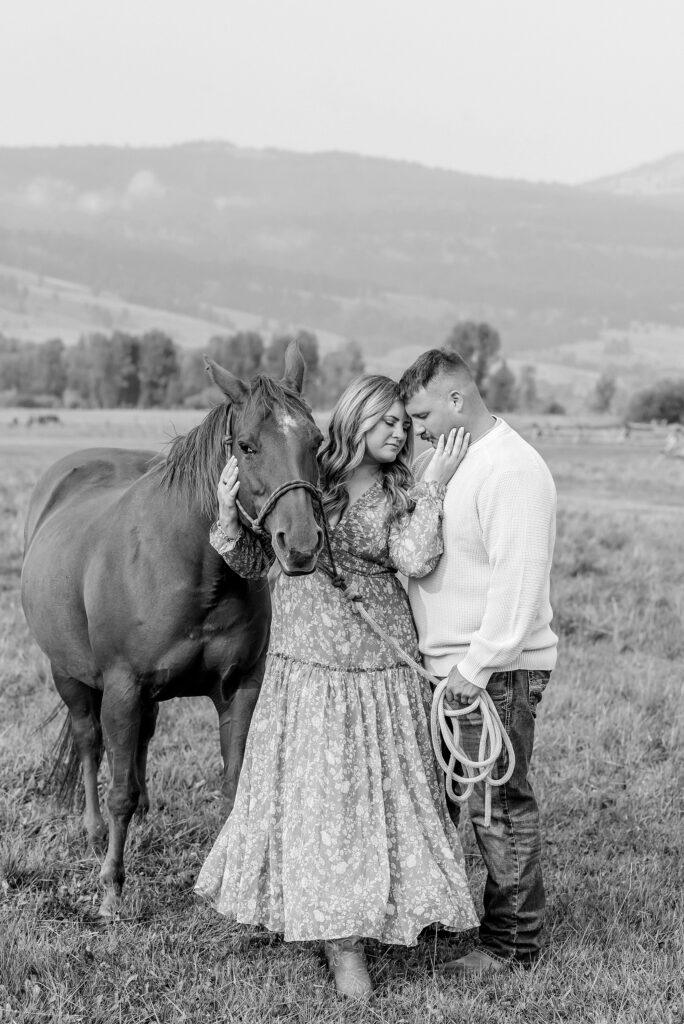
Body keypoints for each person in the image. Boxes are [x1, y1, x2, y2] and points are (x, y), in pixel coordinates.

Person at [195, 374, 478, 999]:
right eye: (384, 421)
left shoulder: (403, 488)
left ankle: (377, 913)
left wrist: (430, 487)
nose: (398, 431)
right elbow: (257, 563)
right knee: (318, 804)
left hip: (375, 670)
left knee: (377, 803)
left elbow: (416, 557)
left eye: (402, 422)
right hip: (307, 671)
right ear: (353, 421)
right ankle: (341, 941)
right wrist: (224, 514)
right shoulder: (309, 480)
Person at [399, 349, 558, 974]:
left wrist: (472, 671)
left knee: (498, 805)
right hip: (457, 671)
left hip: (491, 673)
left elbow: (516, 591)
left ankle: (511, 945)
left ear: (456, 401)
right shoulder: (461, 461)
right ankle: (457, 918)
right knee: (465, 800)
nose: (416, 428)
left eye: (421, 414)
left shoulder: (512, 471)